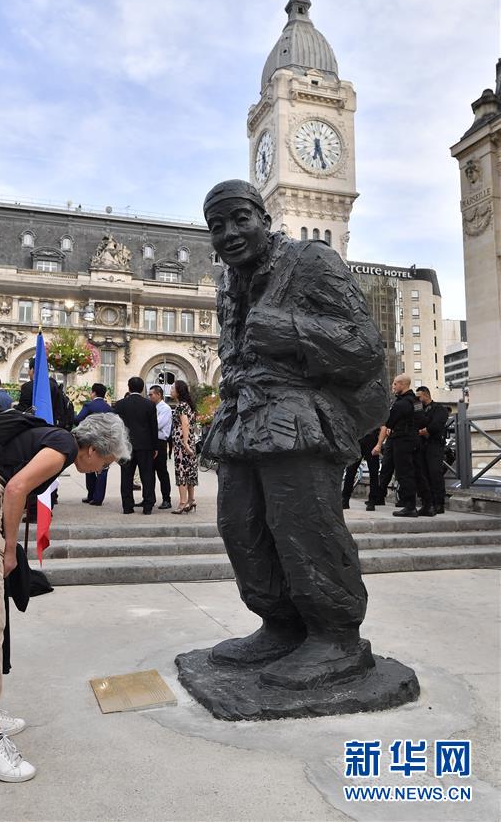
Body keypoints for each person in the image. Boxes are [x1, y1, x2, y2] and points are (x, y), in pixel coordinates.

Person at [200, 179, 387, 690]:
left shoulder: (311, 261)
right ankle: (279, 624)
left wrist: (292, 330)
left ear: (264, 217)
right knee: (241, 525)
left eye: (240, 219)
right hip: (242, 415)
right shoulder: (227, 282)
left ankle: (335, 636)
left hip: (297, 417)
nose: (230, 233)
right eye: (217, 226)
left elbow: (366, 346)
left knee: (302, 524)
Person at [0, 413, 131, 783]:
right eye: (103, 463)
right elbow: (15, 489)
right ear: (90, 449)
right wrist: (10, 549)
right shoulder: (62, 447)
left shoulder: (51, 439)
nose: (99, 470)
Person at [375, 374, 422, 518]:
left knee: (404, 473)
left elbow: (388, 421)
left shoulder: (400, 403)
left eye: (395, 384)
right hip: (414, 439)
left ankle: (409, 506)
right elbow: (423, 419)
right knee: (412, 472)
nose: (393, 387)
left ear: (402, 384)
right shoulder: (416, 402)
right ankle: (414, 504)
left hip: (401, 440)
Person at [113, 377, 158, 515]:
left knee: (126, 476)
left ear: (129, 387)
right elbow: (153, 427)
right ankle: (148, 505)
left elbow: (116, 427)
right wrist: (155, 446)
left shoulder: (120, 405)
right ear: (142, 388)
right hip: (145, 445)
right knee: (147, 476)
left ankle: (127, 506)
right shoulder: (149, 405)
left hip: (126, 446)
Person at [74, 383, 113, 505]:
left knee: (90, 467)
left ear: (94, 393)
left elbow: (77, 419)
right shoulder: (109, 408)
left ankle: (90, 494)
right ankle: (98, 498)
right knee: (103, 468)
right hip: (105, 440)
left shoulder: (89, 406)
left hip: (90, 441)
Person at [416, 385, 449, 514]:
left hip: (434, 444)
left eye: (419, 396)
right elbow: (416, 422)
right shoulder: (419, 409)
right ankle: (427, 503)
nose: (417, 399)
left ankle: (439, 503)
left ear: (425, 394)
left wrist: (427, 430)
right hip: (421, 445)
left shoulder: (438, 408)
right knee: (423, 474)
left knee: (435, 473)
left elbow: (437, 424)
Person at [170, 380, 198, 514]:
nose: (170, 391)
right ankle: (191, 500)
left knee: (182, 471)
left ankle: (182, 502)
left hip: (183, 443)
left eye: (172, 388)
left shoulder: (181, 406)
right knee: (190, 471)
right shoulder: (189, 405)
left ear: (178, 391)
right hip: (190, 441)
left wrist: (185, 443)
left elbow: (184, 424)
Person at [16, 358, 65, 425]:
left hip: (35, 426)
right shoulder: (54, 386)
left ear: (32, 370)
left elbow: (22, 410)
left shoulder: (27, 387)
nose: (28, 372)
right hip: (53, 425)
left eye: (28, 369)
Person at [342, 428, 381, 511]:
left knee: (373, 472)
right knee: (350, 470)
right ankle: (345, 500)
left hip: (371, 438)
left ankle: (372, 501)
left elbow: (383, 425)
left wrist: (379, 444)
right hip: (357, 438)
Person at [147, 385, 172, 509]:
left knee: (161, 472)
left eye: (151, 394)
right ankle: (149, 498)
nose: (149, 397)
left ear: (158, 394)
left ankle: (166, 499)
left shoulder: (165, 408)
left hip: (160, 442)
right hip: (151, 441)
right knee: (149, 472)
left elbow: (158, 424)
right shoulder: (151, 407)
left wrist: (146, 425)